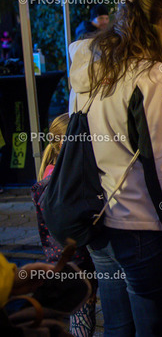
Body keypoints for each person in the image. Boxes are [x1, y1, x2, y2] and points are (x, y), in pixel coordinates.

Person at [68, 0, 162, 335]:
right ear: (158, 21)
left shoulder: (88, 64)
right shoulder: (152, 73)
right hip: (141, 224)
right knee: (157, 328)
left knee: (118, 326)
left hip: (96, 219)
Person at [31, 113, 97, 337]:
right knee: (82, 315)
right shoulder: (62, 182)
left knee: (80, 314)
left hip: (63, 260)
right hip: (76, 261)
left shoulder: (50, 175)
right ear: (63, 143)